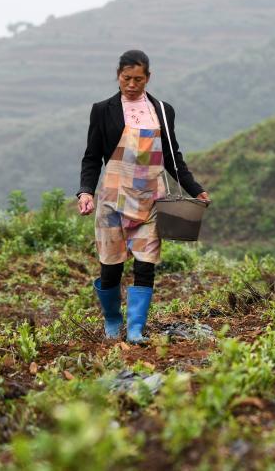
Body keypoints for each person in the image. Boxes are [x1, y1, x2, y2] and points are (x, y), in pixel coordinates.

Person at [77, 50, 210, 343]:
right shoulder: (103, 110)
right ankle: (113, 319)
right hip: (113, 197)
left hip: (151, 197)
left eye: (138, 79)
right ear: (118, 76)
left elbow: (173, 158)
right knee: (110, 265)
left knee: (145, 263)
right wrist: (85, 190)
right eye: (127, 78)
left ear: (148, 78)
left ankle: (136, 329)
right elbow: (92, 157)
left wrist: (195, 188)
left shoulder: (162, 110)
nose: (132, 84)